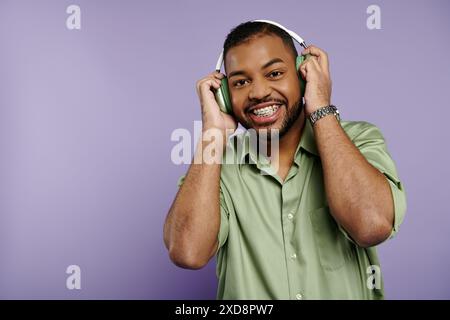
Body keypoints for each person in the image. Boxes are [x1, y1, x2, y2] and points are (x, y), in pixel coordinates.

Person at [163, 21, 407, 300]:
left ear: (305, 74)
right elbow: (187, 252)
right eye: (241, 82)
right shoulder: (217, 163)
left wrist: (321, 108)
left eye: (275, 73)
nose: (258, 92)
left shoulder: (360, 139)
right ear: (226, 97)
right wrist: (212, 134)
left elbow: (371, 226)